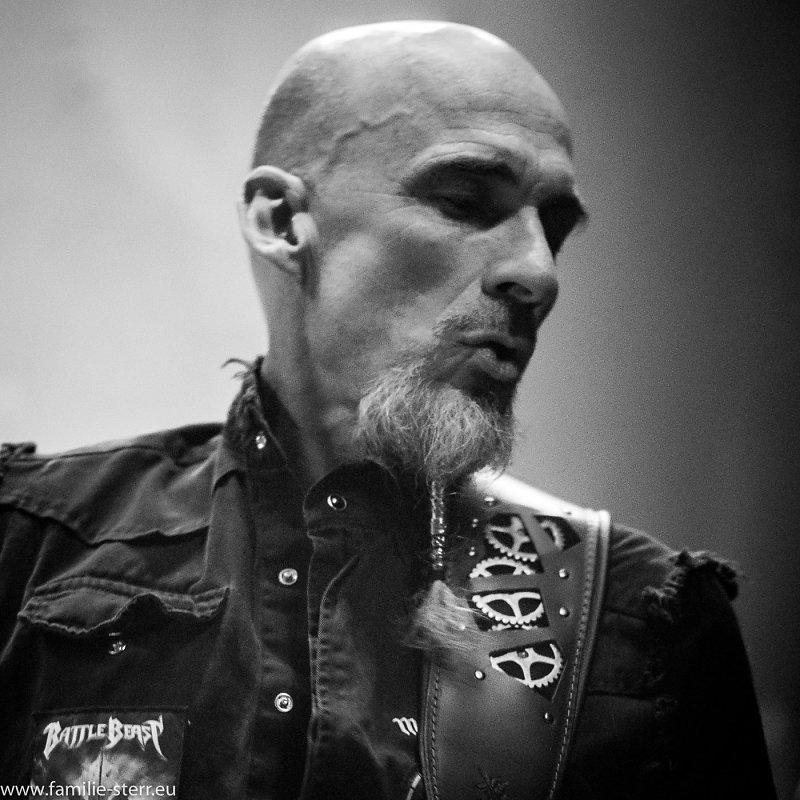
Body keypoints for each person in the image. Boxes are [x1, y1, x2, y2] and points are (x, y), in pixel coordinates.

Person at [0, 20, 775, 800]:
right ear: (281, 222)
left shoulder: (644, 618)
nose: (538, 274)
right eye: (465, 201)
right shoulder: (27, 540)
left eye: (553, 229)